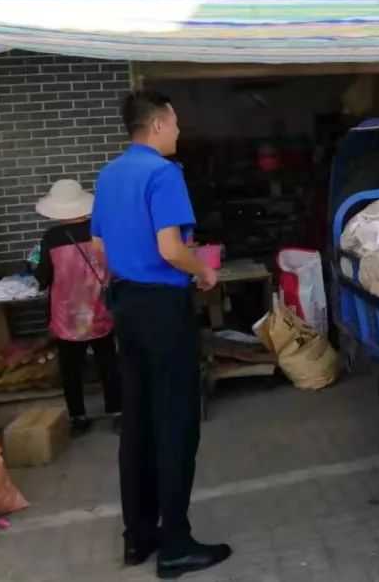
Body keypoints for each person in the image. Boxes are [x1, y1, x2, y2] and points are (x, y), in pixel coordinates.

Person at [91, 89, 230, 579]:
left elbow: (99, 244)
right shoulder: (163, 173)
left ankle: (138, 536)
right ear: (156, 125)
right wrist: (203, 271)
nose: (178, 131)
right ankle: (175, 544)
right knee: (175, 421)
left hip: (126, 305)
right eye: (174, 123)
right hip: (162, 309)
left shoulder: (108, 175)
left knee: (138, 420)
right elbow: (171, 248)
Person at [32, 179, 121, 437]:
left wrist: (34, 269)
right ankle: (118, 412)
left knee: (72, 368)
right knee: (108, 363)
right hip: (100, 309)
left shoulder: (51, 238)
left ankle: (78, 417)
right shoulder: (101, 231)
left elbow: (43, 277)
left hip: (67, 314)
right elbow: (115, 266)